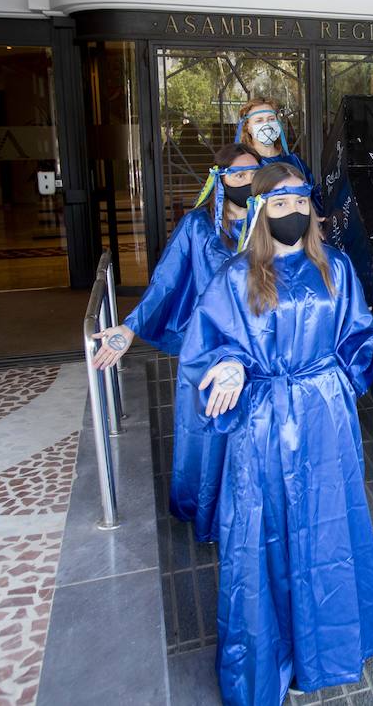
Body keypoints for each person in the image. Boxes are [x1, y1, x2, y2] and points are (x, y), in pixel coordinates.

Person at [178, 163, 373, 706]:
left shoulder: (334, 265)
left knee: (328, 523)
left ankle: (328, 648)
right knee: (265, 529)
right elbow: (207, 346)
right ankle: (272, 653)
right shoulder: (237, 276)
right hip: (264, 421)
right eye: (279, 203)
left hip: (325, 417)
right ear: (260, 210)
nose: (292, 212)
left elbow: (351, 333)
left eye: (300, 202)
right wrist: (229, 366)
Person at [93, 143, 262, 540]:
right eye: (239, 175)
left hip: (257, 347)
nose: (249, 183)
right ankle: (204, 511)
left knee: (252, 432)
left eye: (255, 175)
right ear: (219, 180)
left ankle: (248, 515)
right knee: (206, 431)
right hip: (207, 346)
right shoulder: (197, 226)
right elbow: (165, 281)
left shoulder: (268, 221)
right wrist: (129, 328)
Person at [235, 98, 313, 187]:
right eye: (259, 120)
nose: (266, 124)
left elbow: (310, 191)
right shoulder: (244, 165)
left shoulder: (294, 161)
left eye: (271, 119)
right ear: (247, 127)